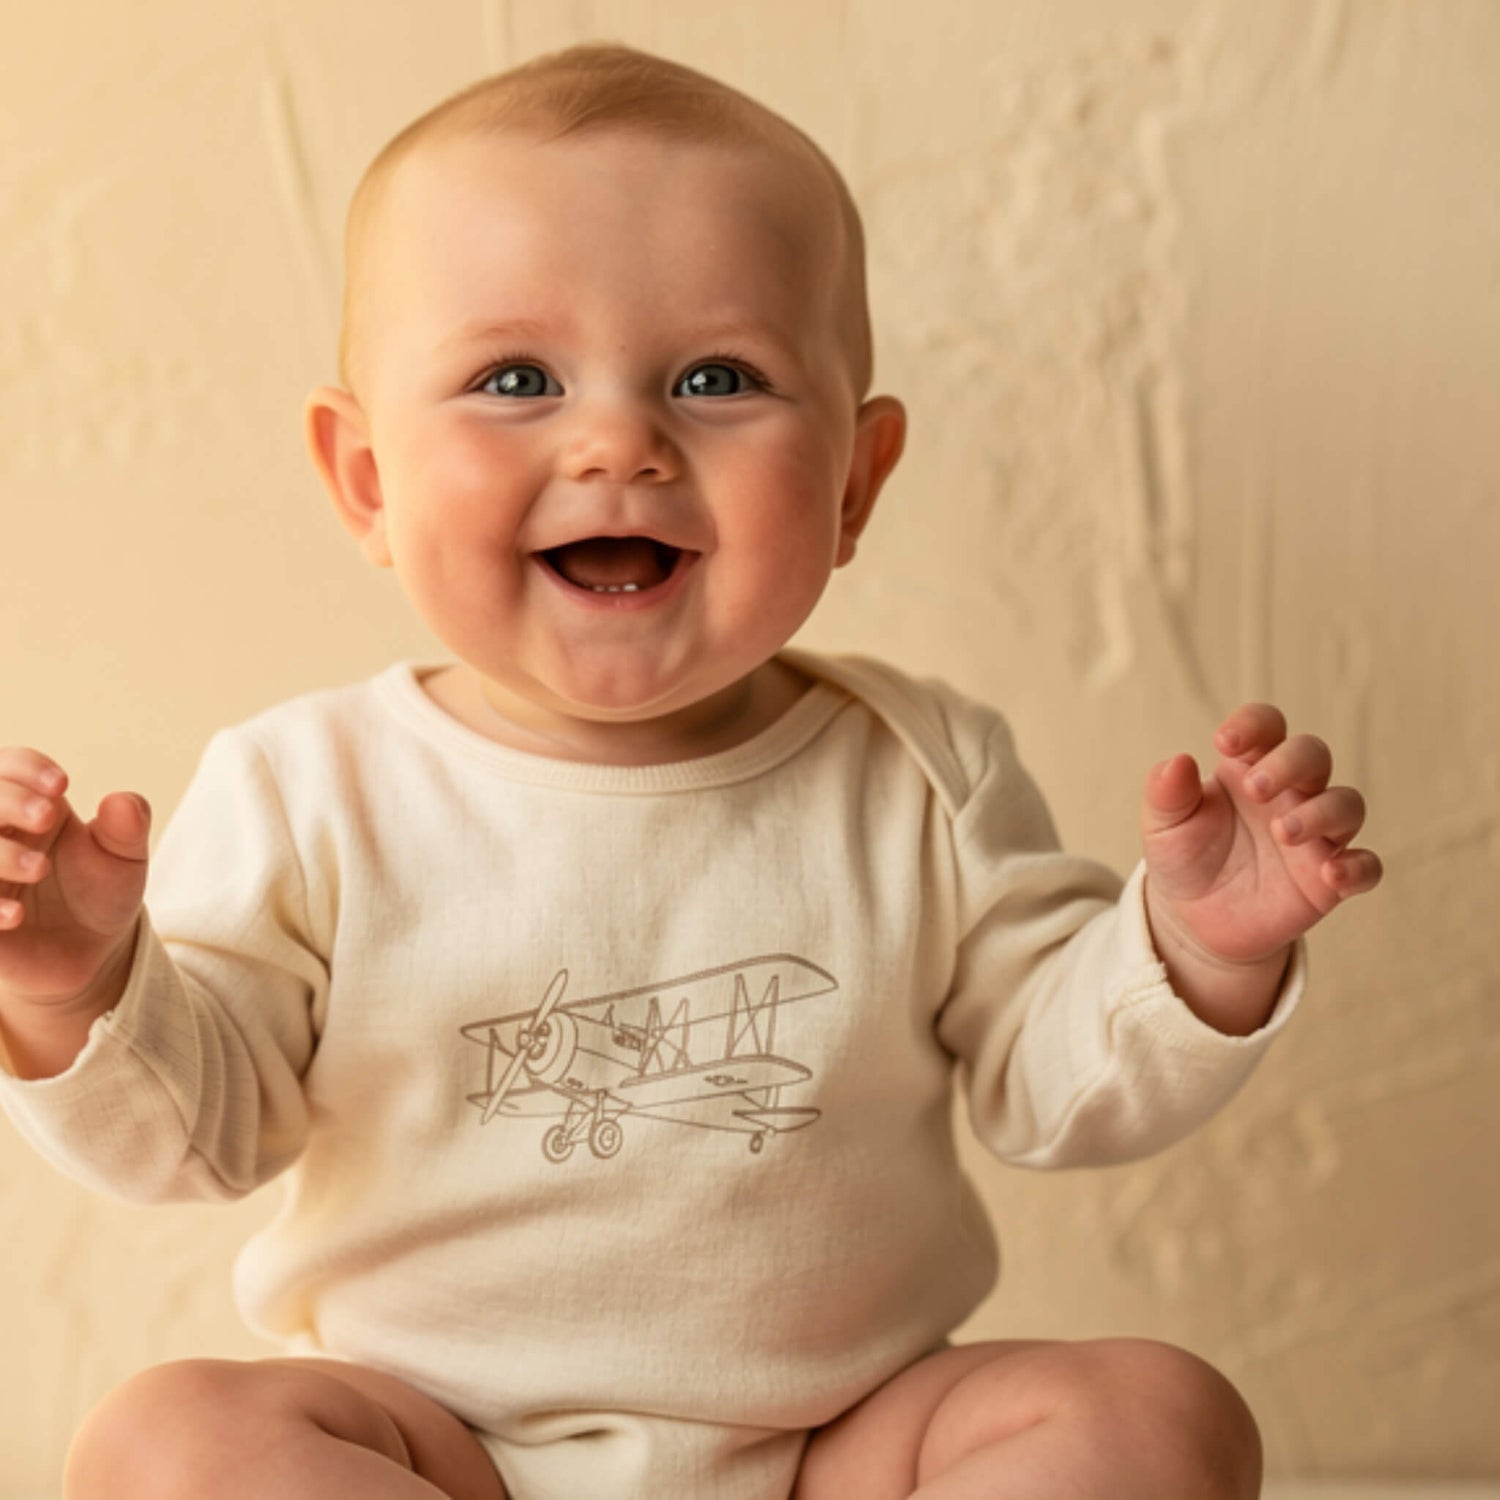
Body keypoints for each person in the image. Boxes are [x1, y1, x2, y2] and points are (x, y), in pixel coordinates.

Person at [0, 42, 1379, 1500]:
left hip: (847, 1446)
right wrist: (80, 988)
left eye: (718, 377)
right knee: (168, 1446)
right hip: (432, 1448)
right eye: (514, 377)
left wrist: (1189, 953)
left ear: (854, 480)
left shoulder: (924, 768)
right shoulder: (308, 786)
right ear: (368, 483)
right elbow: (200, 1144)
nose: (619, 441)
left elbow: (1055, 1089)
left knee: (1160, 1416)